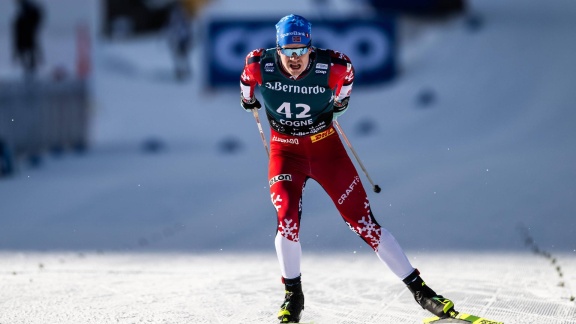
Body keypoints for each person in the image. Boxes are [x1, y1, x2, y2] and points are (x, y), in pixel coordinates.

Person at [240, 14, 457, 323]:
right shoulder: (259, 64)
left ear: (310, 47)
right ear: (278, 49)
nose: (295, 58)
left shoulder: (335, 66)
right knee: (287, 218)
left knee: (364, 222)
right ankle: (293, 295)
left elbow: (345, 91)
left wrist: (338, 106)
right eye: (288, 52)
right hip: (285, 152)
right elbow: (246, 83)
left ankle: (422, 292)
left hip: (326, 150)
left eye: (301, 50)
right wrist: (248, 100)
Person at [11, 0, 44, 79]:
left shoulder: (28, 13)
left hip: (27, 35)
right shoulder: (20, 19)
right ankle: (29, 68)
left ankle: (31, 67)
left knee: (30, 50)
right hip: (25, 36)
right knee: (28, 50)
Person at [166, 1, 192, 81]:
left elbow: (187, 28)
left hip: (182, 38)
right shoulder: (174, 14)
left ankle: (185, 71)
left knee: (183, 56)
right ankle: (179, 71)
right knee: (178, 56)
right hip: (176, 38)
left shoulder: (184, 14)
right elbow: (171, 26)